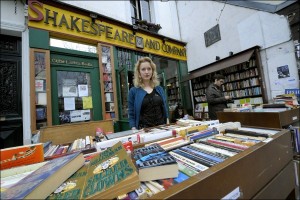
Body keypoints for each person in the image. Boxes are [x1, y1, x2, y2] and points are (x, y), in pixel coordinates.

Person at [128, 57, 169, 130]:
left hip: (162, 129)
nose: (146, 72)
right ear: (139, 72)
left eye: (149, 69)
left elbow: (165, 108)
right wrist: (133, 128)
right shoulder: (133, 91)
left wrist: (167, 122)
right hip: (144, 131)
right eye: (143, 69)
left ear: (152, 71)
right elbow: (131, 114)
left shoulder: (159, 89)